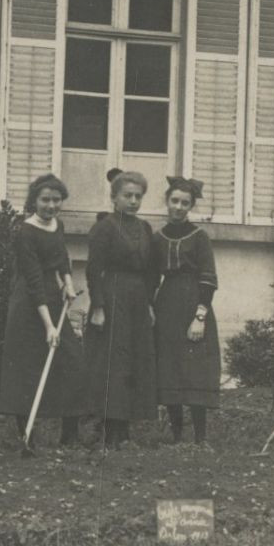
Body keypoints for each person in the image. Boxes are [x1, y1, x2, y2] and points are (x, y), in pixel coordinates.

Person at [0, 173, 83, 454]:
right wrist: (49, 326)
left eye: (56, 200)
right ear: (34, 200)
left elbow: (61, 258)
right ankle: (27, 437)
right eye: (45, 199)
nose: (51, 205)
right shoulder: (24, 232)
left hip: (54, 299)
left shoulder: (58, 225)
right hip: (29, 303)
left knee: (72, 361)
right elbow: (33, 279)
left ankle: (69, 436)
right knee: (26, 367)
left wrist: (68, 283)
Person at [82, 168, 159, 449]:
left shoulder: (144, 228)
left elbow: (152, 270)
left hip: (138, 299)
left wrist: (149, 303)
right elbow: (94, 269)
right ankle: (109, 430)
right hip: (112, 295)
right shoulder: (104, 228)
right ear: (114, 198)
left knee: (135, 361)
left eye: (138, 196)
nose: (133, 201)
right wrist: (98, 307)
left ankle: (125, 430)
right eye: (127, 195)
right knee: (113, 362)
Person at [151, 176, 221, 447]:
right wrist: (150, 306)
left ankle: (200, 438)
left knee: (195, 369)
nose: (179, 207)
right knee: (170, 367)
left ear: (191, 206)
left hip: (194, 301)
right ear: (167, 202)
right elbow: (151, 276)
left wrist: (200, 316)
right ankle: (177, 435)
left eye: (185, 203)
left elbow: (208, 278)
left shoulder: (199, 237)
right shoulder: (158, 238)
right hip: (167, 305)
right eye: (174, 201)